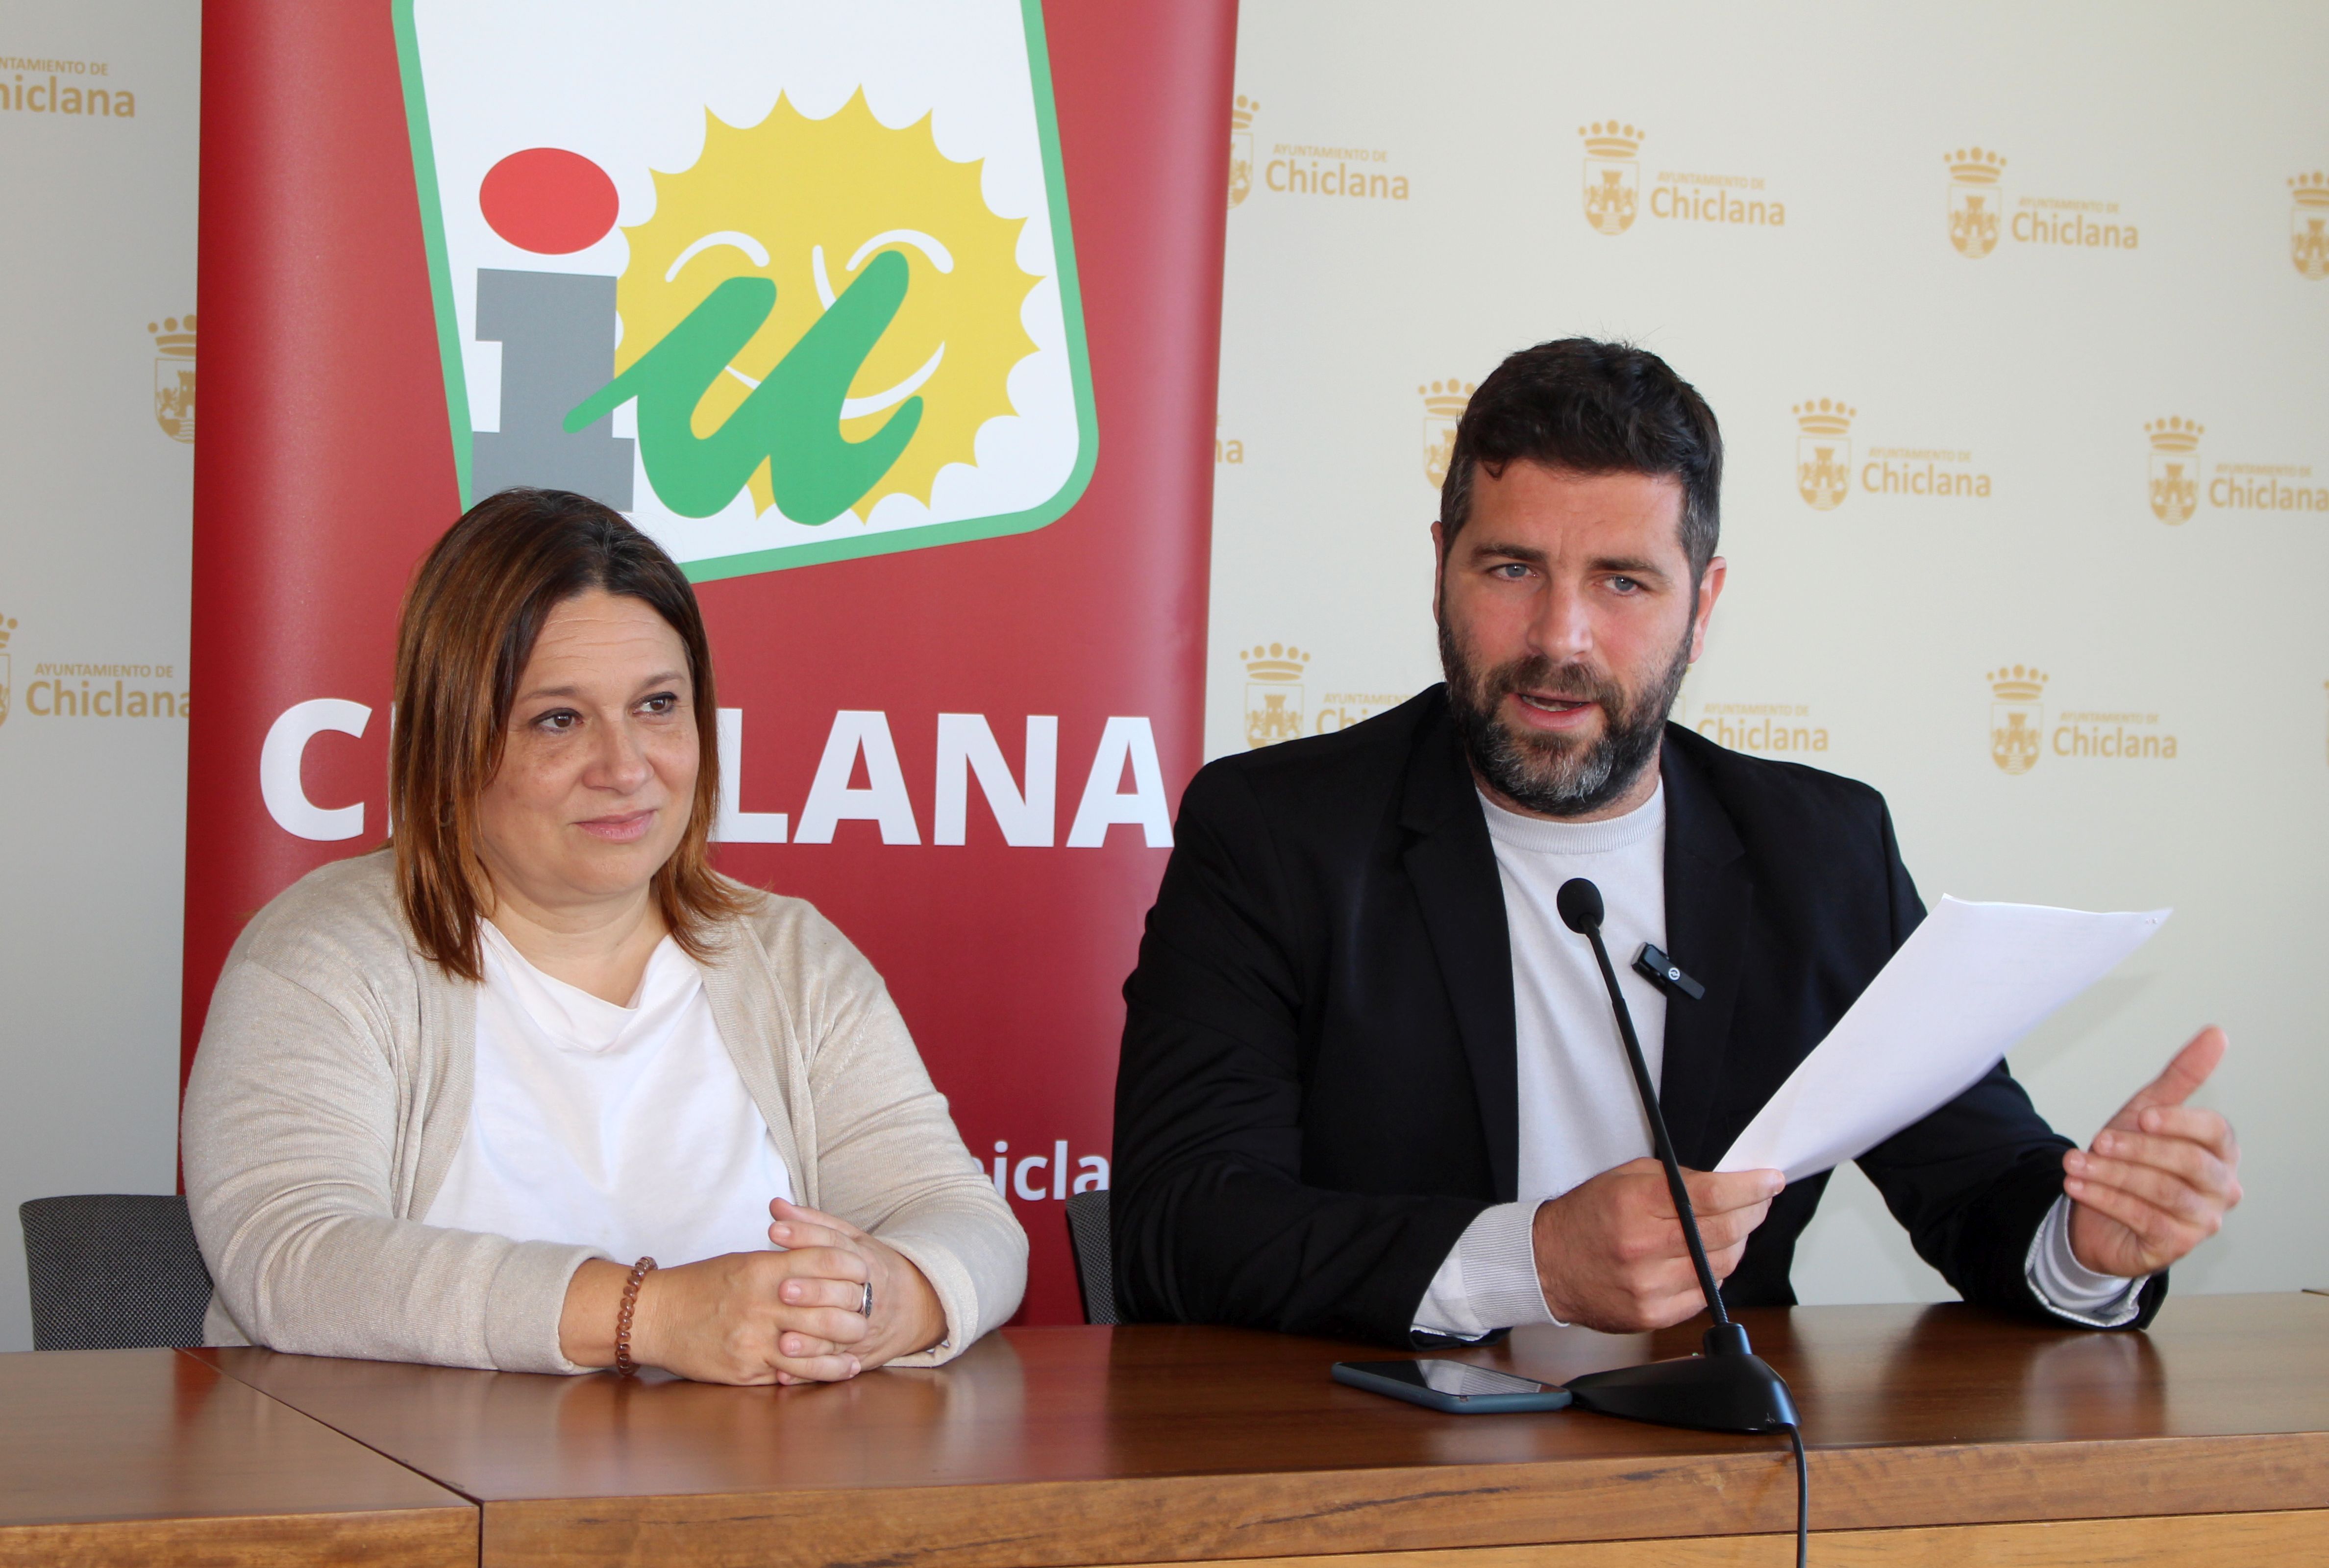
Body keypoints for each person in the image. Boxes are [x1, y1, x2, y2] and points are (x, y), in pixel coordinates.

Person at [1111, 340, 2241, 1346]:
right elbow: (1181, 1225)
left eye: (1623, 581)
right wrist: (1532, 1263)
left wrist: (2088, 1244)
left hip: (1713, 1463)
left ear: (1703, 606)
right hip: (1370, 1453)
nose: (1560, 637)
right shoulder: (1274, 832)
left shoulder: (1822, 852)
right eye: (1512, 569)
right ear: (1442, 565)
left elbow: (1979, 1179)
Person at [184, 489, 1024, 1382]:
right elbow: (292, 1258)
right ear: (453, 741)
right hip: (386, 1471)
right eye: (559, 719)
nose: (625, 768)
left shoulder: (792, 959)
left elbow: (963, 1220)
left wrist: (886, 1298)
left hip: (745, 1472)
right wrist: (656, 1315)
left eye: (658, 706)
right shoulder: (323, 955)